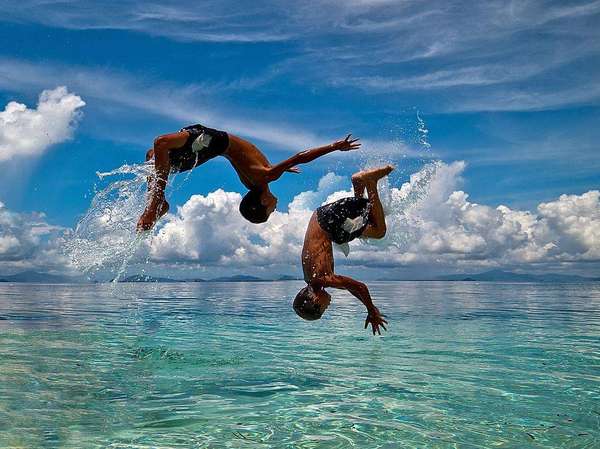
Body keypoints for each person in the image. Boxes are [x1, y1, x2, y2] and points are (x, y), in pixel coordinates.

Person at [136, 123, 360, 231]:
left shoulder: (264, 177)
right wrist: (278, 168)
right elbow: (250, 164)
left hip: (215, 142)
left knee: (160, 144)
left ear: (263, 201)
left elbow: (300, 157)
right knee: (153, 159)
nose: (275, 207)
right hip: (211, 150)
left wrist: (335, 146)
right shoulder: (255, 180)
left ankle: (155, 203)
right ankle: (158, 203)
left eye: (271, 210)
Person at [294, 165, 394, 335]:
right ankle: (358, 182)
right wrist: (368, 306)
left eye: (323, 309)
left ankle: (371, 182)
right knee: (358, 231)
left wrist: (371, 311)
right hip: (326, 220)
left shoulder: (323, 278)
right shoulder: (312, 278)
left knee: (378, 231)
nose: (328, 307)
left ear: (315, 300)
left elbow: (360, 287)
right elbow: (350, 287)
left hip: (331, 220)